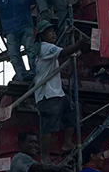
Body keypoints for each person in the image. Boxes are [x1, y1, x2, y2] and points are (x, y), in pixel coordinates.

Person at [33, 22, 90, 161]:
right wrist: (78, 44)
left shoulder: (48, 48)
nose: (53, 34)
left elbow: (68, 53)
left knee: (72, 110)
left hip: (57, 92)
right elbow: (64, 53)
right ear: (42, 35)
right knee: (49, 126)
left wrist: (80, 47)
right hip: (47, 94)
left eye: (54, 31)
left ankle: (67, 143)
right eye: (50, 32)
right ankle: (45, 156)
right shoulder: (43, 47)